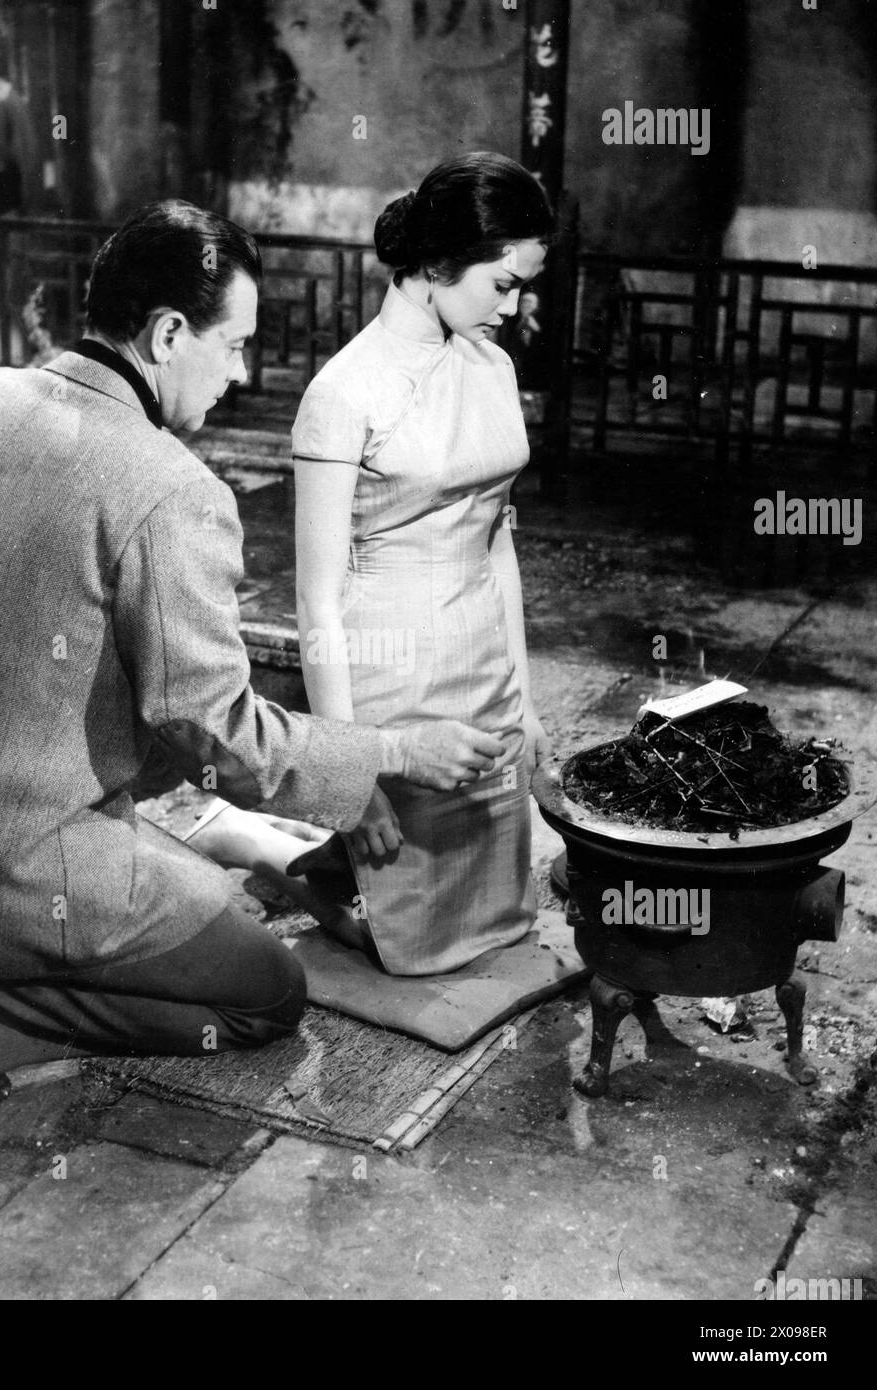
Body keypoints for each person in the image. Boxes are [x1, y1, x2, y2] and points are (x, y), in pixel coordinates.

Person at [0, 200, 503, 1120]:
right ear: (165, 333)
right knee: (266, 992)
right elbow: (218, 737)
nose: (242, 373)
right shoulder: (168, 487)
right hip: (0, 872)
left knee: (145, 754)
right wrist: (394, 752)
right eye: (234, 345)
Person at [291, 152, 554, 976]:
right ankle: (276, 855)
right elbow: (317, 605)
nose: (515, 307)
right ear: (436, 265)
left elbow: (497, 540)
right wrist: (349, 777)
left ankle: (322, 861)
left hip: (481, 658)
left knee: (505, 921)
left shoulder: (494, 365)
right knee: (408, 945)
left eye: (525, 286)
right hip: (389, 672)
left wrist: (525, 695)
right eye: (503, 284)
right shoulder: (345, 392)